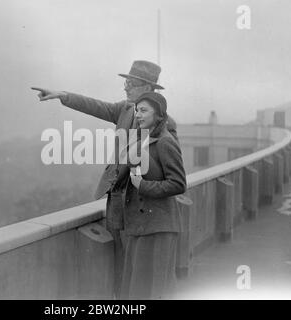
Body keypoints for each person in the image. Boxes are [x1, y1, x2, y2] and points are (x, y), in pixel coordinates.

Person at [32, 60, 181, 298]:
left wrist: (141, 173)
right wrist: (62, 95)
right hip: (118, 201)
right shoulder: (123, 110)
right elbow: (94, 106)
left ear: (148, 89)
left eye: (131, 83)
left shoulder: (165, 125)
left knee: (142, 274)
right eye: (125, 82)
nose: (125, 87)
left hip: (143, 207)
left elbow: (168, 172)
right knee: (122, 265)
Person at [120, 91, 186, 299]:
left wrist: (143, 186)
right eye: (136, 110)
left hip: (159, 227)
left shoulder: (165, 141)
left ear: (158, 115)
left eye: (144, 110)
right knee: (139, 290)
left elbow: (178, 183)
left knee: (155, 291)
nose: (138, 115)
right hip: (142, 225)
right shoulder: (146, 139)